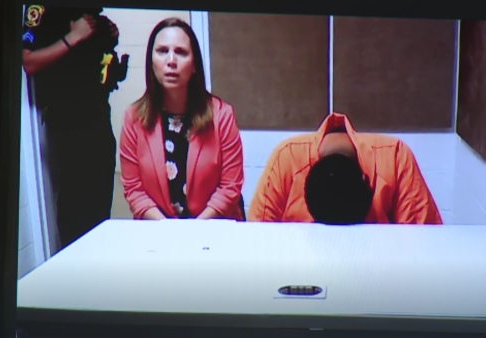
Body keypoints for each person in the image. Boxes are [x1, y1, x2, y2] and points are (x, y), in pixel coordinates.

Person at [22, 5, 129, 250]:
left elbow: (103, 68)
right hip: (68, 126)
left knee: (100, 211)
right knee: (74, 211)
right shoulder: (40, 9)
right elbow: (28, 60)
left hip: (99, 122)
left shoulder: (92, 15)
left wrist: (109, 35)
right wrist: (74, 38)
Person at [119, 18, 245, 220]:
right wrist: (169, 230)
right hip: (158, 231)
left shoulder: (222, 116)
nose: (171, 61)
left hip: (214, 227)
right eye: (162, 51)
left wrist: (193, 230)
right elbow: (134, 191)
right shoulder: (133, 118)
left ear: (194, 64)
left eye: (181, 52)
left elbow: (230, 187)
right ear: (151, 62)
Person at [248, 113, 443, 225]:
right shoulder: (286, 159)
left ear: (368, 181)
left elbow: (423, 243)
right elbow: (259, 242)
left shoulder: (396, 157)